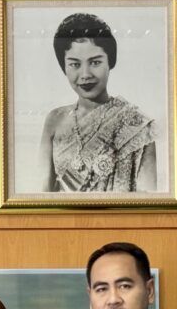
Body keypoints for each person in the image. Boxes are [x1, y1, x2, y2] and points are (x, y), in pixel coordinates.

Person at [39, 12, 157, 193]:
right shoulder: (55, 120)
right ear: (64, 67)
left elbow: (148, 200)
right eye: (75, 64)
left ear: (110, 61)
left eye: (95, 62)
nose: (85, 74)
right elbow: (42, 195)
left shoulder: (138, 125)